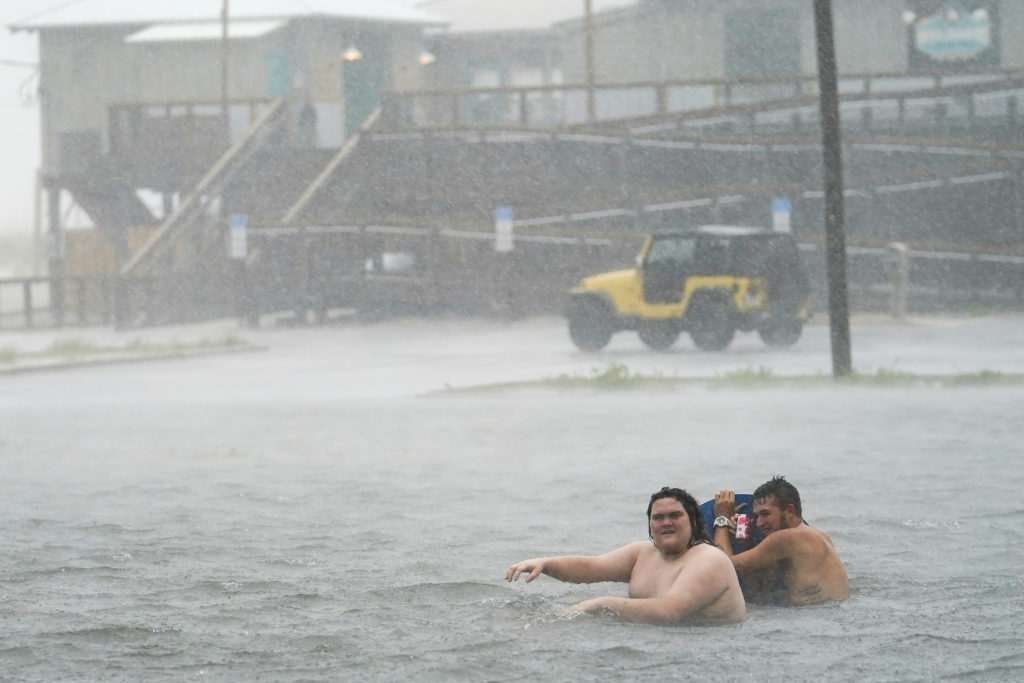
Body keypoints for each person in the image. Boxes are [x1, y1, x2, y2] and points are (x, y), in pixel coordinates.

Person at [505, 486, 745, 625]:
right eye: (658, 518)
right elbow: (591, 568)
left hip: (708, 646)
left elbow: (670, 612)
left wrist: (601, 603)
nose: (666, 523)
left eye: (675, 516)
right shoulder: (643, 553)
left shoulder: (708, 558)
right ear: (650, 524)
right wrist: (544, 563)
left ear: (693, 520)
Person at [713, 476, 849, 606]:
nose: (759, 523)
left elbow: (722, 564)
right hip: (831, 613)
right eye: (756, 516)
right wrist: (745, 542)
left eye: (765, 514)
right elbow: (759, 586)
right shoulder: (820, 536)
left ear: (789, 510)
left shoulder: (785, 538)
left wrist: (722, 520)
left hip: (812, 617)